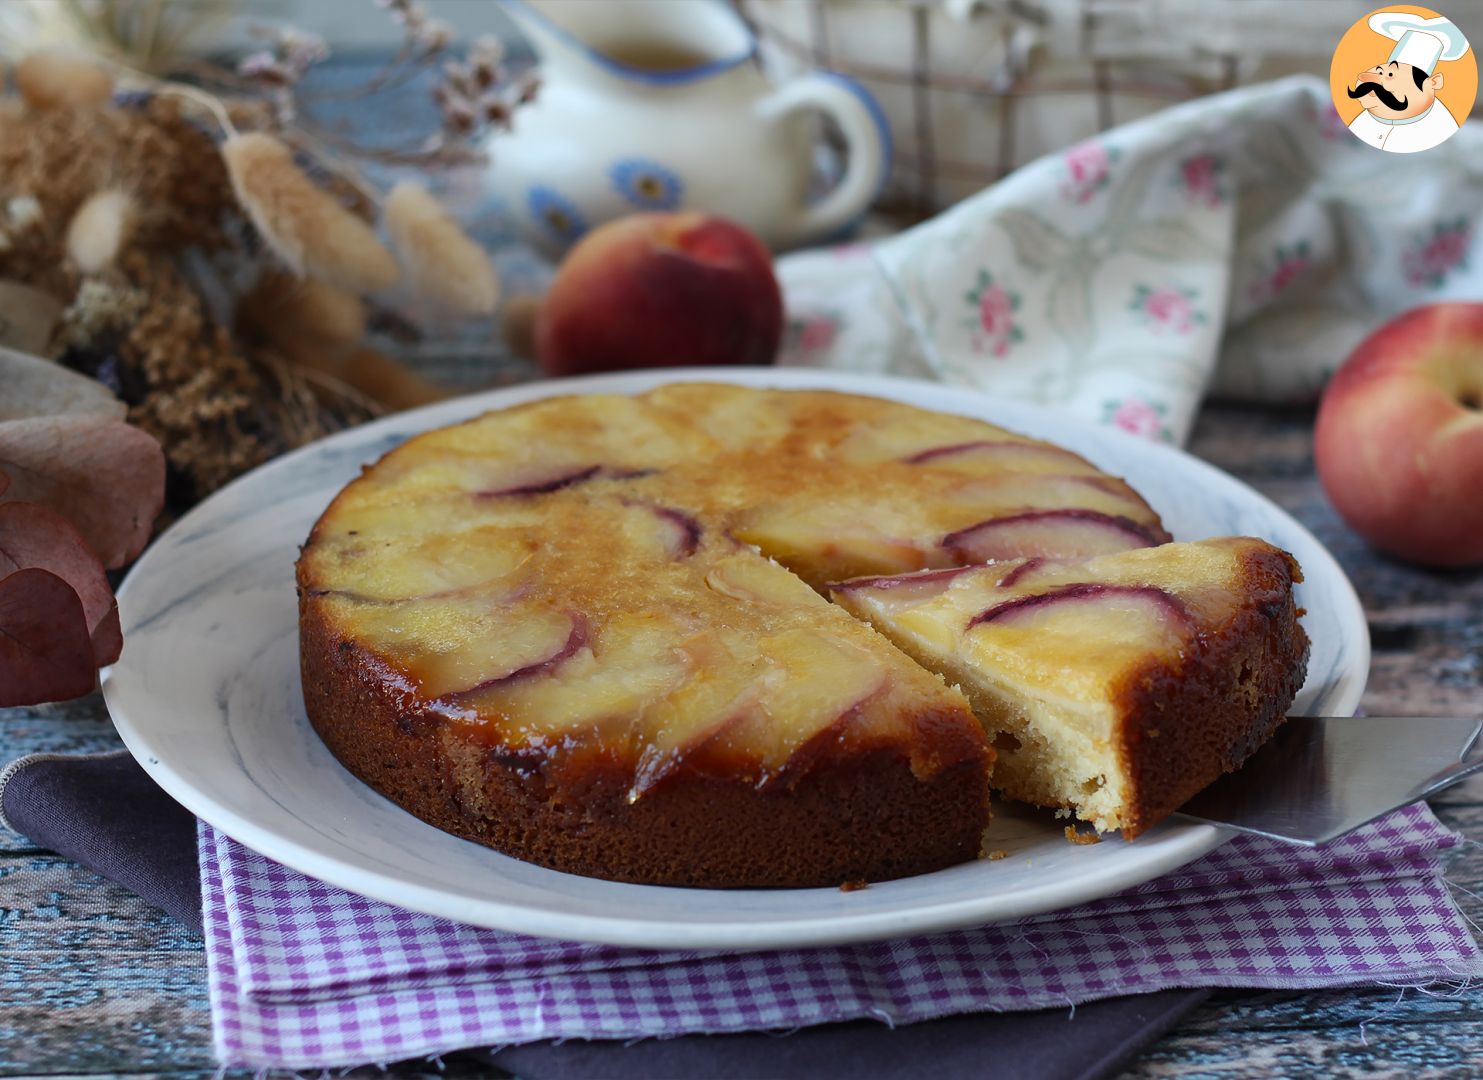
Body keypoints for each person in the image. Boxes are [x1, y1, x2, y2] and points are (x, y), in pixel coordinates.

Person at [1347, 11, 1471, 153]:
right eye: (1379, 72)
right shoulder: (1360, 121)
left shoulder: (1447, 134)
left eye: (1391, 75)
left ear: (1433, 83)